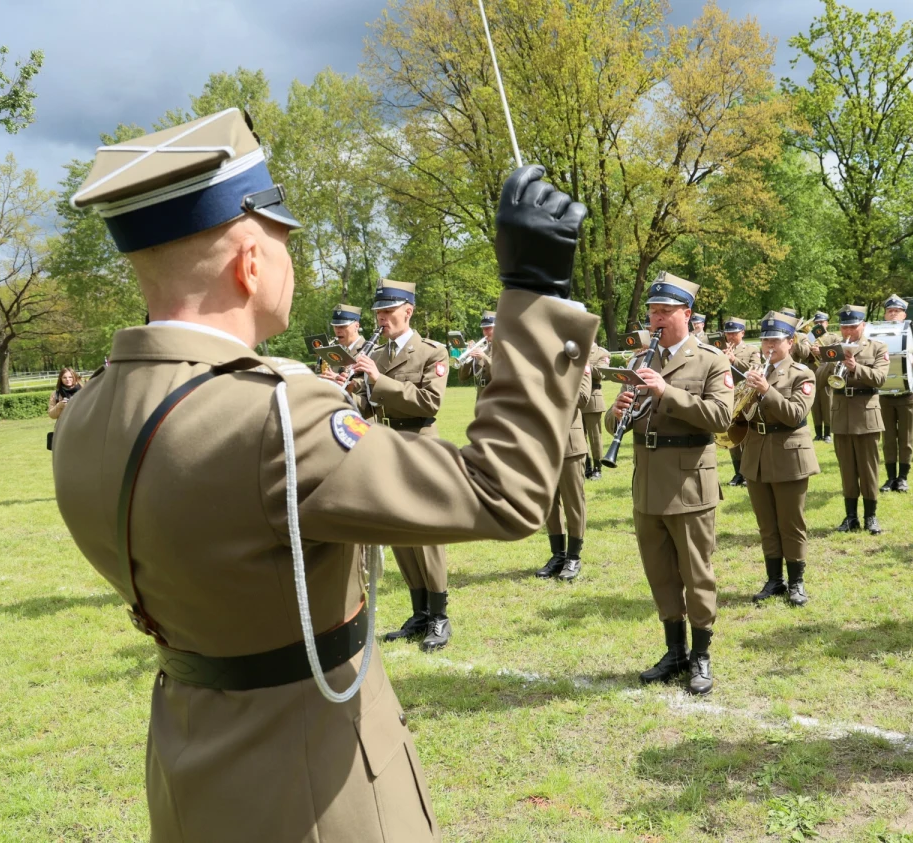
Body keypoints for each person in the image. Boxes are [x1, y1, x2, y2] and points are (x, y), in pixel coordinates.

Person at [55, 107, 596, 842]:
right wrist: (534, 290)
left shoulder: (85, 415)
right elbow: (503, 491)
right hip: (315, 780)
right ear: (250, 261)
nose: (288, 258)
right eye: (283, 239)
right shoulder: (275, 414)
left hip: (190, 763)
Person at [607, 271, 733, 696]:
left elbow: (720, 418)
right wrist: (618, 407)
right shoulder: (641, 359)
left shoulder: (712, 360)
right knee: (659, 571)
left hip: (690, 480)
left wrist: (666, 393)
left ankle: (701, 654)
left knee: (696, 572)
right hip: (648, 480)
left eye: (664, 311)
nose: (655, 319)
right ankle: (674, 650)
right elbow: (613, 423)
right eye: (652, 312)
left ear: (686, 313)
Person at [347, 280, 454, 653]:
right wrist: (347, 391)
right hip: (386, 447)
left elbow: (429, 402)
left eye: (388, 312)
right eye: (377, 313)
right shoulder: (375, 355)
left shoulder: (432, 351)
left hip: (418, 448)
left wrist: (379, 381)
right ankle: (419, 612)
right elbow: (366, 407)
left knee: (423, 533)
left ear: (408, 311)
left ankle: (440, 614)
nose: (381, 319)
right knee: (399, 533)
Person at [739, 312, 819, 606]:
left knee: (791, 522)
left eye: (775, 339)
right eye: (765, 339)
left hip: (789, 454)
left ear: (790, 341)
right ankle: (774, 580)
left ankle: (797, 583)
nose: (768, 344)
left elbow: (795, 415)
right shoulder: (758, 370)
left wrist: (766, 390)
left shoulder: (802, 374)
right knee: (766, 523)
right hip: (757, 453)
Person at [829, 305, 890, 534]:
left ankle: (871, 516)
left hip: (866, 414)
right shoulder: (834, 348)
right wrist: (828, 362)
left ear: (863, 325)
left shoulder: (877, 347)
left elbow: (881, 378)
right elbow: (821, 377)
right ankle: (851, 516)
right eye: (844, 326)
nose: (848, 331)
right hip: (841, 413)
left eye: (853, 326)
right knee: (847, 468)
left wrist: (856, 368)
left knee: (868, 468)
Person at [536, 355, 594, 580]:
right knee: (549, 503)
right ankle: (558, 554)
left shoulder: (579, 363)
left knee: (573, 502)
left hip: (569, 444)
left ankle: (573, 556)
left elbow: (582, 398)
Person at [878, 295, 913, 493]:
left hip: (907, 394)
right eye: (890, 311)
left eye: (897, 311)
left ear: (904, 314)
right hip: (885, 394)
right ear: (885, 314)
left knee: (906, 438)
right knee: (888, 438)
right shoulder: (877, 336)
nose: (893, 314)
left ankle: (903, 478)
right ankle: (890, 478)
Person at [721, 316, 761, 487]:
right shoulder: (720, 349)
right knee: (732, 436)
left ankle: (747, 472)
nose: (730, 337)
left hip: (745, 396)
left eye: (734, 333)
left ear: (742, 333)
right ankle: (738, 473)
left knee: (746, 435)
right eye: (728, 333)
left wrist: (733, 360)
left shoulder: (751, 349)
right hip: (727, 394)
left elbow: (755, 369)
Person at [806, 311, 837, 442]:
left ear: (827, 323)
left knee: (827, 403)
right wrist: (809, 349)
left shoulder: (833, 337)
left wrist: (821, 351)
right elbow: (804, 356)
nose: (818, 325)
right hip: (813, 372)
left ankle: (828, 433)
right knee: (815, 405)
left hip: (827, 373)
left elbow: (837, 353)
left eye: (821, 322)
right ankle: (818, 433)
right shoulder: (809, 337)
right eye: (816, 323)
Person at [583, 340, 611, 479]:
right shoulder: (576, 350)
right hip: (576, 399)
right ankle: (585, 466)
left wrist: (583, 362)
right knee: (579, 437)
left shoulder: (602, 353)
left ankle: (597, 467)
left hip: (592, 398)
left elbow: (601, 373)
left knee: (595, 437)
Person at [457, 310, 495, 395]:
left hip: (496, 397)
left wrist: (483, 357)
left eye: (488, 328)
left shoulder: (505, 349)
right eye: (483, 329)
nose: (485, 331)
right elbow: (462, 377)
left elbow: (500, 372)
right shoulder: (483, 349)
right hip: (481, 397)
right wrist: (468, 357)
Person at [47, 367, 83, 450]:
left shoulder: (84, 391)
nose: (68, 379)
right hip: (64, 430)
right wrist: (60, 405)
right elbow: (51, 415)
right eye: (64, 377)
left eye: (70, 377)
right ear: (60, 379)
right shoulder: (55, 394)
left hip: (82, 428)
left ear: (75, 377)